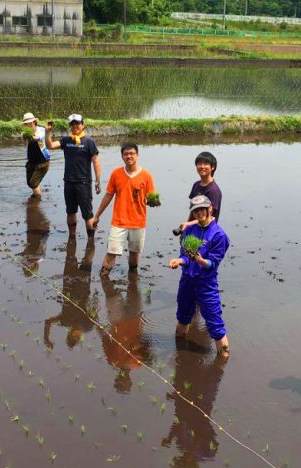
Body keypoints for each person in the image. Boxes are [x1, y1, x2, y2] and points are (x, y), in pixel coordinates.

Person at [168, 195, 231, 357]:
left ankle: (223, 359)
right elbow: (185, 257)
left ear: (210, 208)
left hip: (206, 285)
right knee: (183, 317)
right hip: (187, 282)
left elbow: (212, 264)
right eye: (195, 211)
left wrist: (201, 261)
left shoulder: (219, 235)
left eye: (202, 209)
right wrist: (179, 261)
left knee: (215, 325)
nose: (198, 213)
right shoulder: (189, 230)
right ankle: (180, 355)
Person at [91, 143, 158, 276]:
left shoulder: (146, 176)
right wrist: (97, 215)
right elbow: (108, 195)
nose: (129, 156)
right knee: (111, 252)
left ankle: (132, 281)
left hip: (138, 222)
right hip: (119, 222)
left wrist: (153, 202)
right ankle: (103, 277)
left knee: (134, 254)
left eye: (132, 153)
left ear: (137, 155)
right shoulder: (116, 174)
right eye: (126, 154)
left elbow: (152, 199)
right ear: (122, 156)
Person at [45, 114, 101, 238]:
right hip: (68, 182)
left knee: (87, 214)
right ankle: (72, 237)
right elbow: (50, 146)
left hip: (84, 183)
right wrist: (47, 133)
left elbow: (95, 161)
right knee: (70, 212)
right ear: (70, 126)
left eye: (77, 123)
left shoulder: (89, 142)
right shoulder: (66, 140)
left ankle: (90, 240)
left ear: (83, 125)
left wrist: (98, 180)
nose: (75, 126)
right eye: (72, 124)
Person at [174, 151, 222, 235]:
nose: (202, 167)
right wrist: (186, 228)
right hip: (193, 229)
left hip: (206, 232)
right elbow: (192, 210)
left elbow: (209, 216)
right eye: (199, 164)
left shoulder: (213, 190)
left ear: (212, 167)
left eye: (206, 164)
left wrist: (188, 224)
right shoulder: (196, 185)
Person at [21, 112, 51, 197]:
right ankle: (37, 193)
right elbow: (23, 137)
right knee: (29, 183)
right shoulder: (25, 133)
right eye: (26, 124)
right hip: (31, 161)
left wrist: (32, 136)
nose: (28, 125)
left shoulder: (41, 130)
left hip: (43, 162)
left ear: (34, 122)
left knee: (33, 183)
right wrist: (26, 136)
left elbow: (38, 138)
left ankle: (37, 199)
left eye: (30, 123)